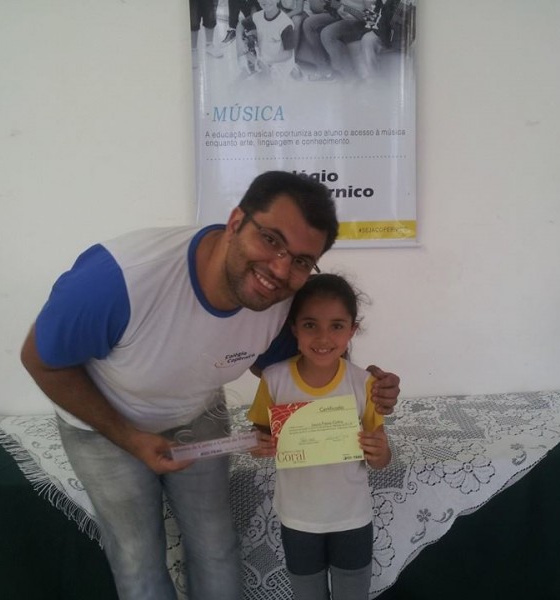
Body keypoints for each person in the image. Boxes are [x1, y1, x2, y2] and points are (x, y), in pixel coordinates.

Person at [20, 170, 400, 600]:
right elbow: (40, 361)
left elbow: (304, 370)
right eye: (270, 239)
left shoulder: (283, 302)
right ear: (235, 221)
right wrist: (128, 436)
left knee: (216, 544)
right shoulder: (118, 280)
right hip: (103, 424)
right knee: (136, 556)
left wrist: (368, 388)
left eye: (300, 261)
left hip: (197, 412)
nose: (279, 269)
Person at [247, 273, 391, 600]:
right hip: (298, 519)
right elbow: (259, 437)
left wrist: (380, 451)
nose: (323, 337)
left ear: (352, 330)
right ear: (294, 329)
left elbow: (381, 459)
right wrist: (258, 445)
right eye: (310, 325)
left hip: (352, 517)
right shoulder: (274, 379)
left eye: (337, 325)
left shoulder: (364, 384)